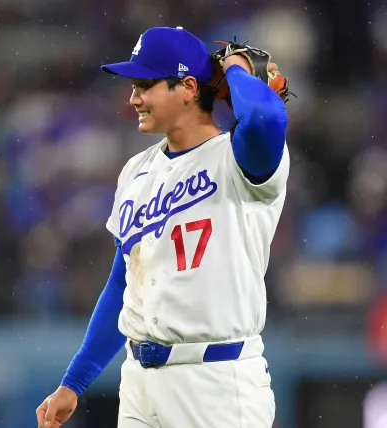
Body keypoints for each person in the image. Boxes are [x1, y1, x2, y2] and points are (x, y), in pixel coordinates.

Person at [36, 26, 290, 428]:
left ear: (188, 87)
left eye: (145, 85)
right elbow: (123, 286)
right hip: (139, 383)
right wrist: (74, 382)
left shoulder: (238, 159)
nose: (133, 98)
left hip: (217, 383)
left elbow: (263, 115)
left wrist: (237, 67)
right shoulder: (135, 172)